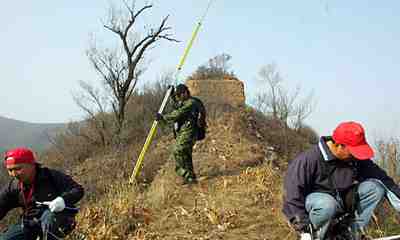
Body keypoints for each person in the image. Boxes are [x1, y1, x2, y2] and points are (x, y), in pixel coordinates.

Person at [282, 121, 400, 240]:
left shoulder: (353, 159)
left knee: (375, 187)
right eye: (353, 151)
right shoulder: (308, 160)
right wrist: (304, 229)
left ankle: (351, 234)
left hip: (341, 202)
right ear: (339, 145)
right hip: (316, 208)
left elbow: (382, 179)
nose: (355, 156)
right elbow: (292, 196)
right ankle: (317, 236)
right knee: (327, 204)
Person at [0, 147, 84, 240]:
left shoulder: (50, 176)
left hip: (58, 218)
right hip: (30, 222)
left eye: (18, 168)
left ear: (31, 164)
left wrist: (62, 200)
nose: (14, 174)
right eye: (10, 170)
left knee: (49, 222)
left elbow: (77, 190)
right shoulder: (13, 187)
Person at [155, 84, 204, 185]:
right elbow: (177, 105)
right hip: (185, 132)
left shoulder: (191, 103)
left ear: (185, 93)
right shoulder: (186, 102)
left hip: (190, 132)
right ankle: (191, 178)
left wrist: (163, 118)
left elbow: (178, 113)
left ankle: (185, 174)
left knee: (177, 150)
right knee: (186, 155)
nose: (178, 97)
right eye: (177, 95)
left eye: (179, 95)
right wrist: (172, 95)